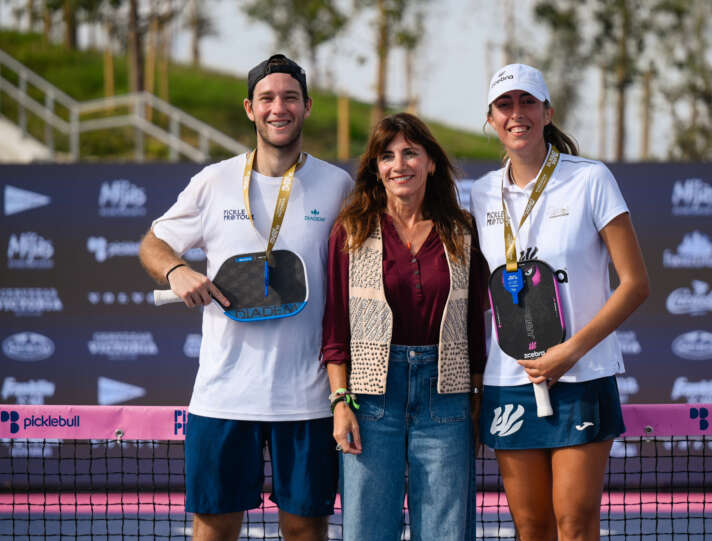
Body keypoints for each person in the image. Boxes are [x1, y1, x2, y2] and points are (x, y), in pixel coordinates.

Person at [138, 54, 352, 541]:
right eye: (268, 98)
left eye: (290, 97)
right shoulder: (214, 181)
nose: (279, 108)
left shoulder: (338, 185)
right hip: (224, 396)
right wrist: (175, 270)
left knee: (305, 529)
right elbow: (152, 243)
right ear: (249, 109)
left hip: (308, 399)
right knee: (214, 529)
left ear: (307, 106)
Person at [469, 63, 650, 540]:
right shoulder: (481, 194)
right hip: (510, 379)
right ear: (490, 119)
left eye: (528, 102)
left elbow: (635, 284)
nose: (516, 114)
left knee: (574, 522)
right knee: (531, 527)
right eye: (504, 105)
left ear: (547, 112)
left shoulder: (591, 178)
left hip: (581, 374)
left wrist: (569, 352)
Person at [321, 112, 488, 541]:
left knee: (448, 533)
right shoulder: (352, 231)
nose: (400, 165)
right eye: (387, 155)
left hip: (446, 395)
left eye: (411, 153)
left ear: (431, 162)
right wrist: (341, 401)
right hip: (371, 399)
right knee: (368, 531)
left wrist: (474, 398)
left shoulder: (461, 230)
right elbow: (336, 328)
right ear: (376, 169)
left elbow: (474, 329)